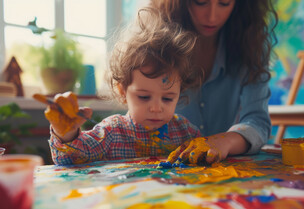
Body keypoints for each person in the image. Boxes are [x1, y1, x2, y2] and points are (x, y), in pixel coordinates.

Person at [44, 8, 202, 165]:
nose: (156, 108)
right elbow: (70, 160)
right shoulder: (113, 132)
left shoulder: (186, 132)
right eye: (144, 97)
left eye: (167, 98)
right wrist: (66, 133)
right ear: (122, 91)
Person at [148, 0, 278, 164]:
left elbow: (257, 119)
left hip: (223, 169)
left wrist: (226, 141)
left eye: (224, 3)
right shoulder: (153, 44)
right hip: (165, 165)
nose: (212, 17)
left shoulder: (251, 47)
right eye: (200, 2)